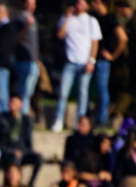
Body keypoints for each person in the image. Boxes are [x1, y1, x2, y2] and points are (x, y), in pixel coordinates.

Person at [50, 0, 102, 134]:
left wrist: (91, 60)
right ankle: (59, 120)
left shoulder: (91, 21)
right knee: (63, 92)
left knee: (82, 94)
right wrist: (67, 17)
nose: (79, 6)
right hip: (70, 62)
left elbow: (94, 43)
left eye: (82, 3)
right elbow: (60, 34)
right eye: (77, 3)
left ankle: (80, 123)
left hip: (85, 63)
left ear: (87, 6)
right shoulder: (67, 18)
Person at [0, 95, 43, 187]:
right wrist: (11, 151)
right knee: (13, 158)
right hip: (7, 154)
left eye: (15, 103)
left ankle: (30, 185)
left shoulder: (26, 120)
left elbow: (28, 142)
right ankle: (10, 184)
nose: (12, 105)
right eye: (11, 102)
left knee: (39, 158)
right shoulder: (3, 119)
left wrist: (25, 151)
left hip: (23, 152)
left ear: (21, 105)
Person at [91, 0, 125, 127]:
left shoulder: (110, 19)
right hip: (90, 58)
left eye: (97, 2)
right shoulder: (92, 17)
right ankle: (92, 117)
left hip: (102, 59)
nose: (94, 5)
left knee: (102, 88)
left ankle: (102, 119)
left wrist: (114, 55)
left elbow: (122, 38)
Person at [13, 0, 40, 117]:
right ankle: (21, 116)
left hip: (33, 61)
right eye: (27, 3)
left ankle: (24, 116)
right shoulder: (19, 20)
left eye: (32, 4)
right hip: (22, 61)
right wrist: (26, 26)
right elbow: (16, 39)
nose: (30, 6)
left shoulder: (34, 20)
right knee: (23, 91)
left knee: (29, 92)